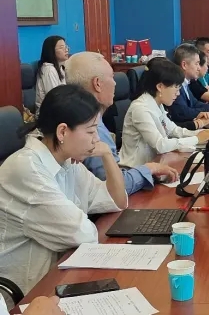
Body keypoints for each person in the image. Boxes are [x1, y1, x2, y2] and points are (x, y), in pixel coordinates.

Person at [0, 85, 128, 294]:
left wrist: (107, 156)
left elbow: (116, 202)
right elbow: (82, 234)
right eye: (90, 131)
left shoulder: (66, 160)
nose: (96, 138)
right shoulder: (27, 169)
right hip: (23, 293)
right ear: (62, 132)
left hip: (57, 275)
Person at [65, 52, 179, 194]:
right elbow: (115, 186)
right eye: (112, 77)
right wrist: (149, 169)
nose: (115, 83)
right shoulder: (91, 128)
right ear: (97, 84)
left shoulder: (86, 118)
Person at [119, 57, 209, 167]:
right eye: (176, 88)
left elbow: (173, 130)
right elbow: (160, 145)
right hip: (135, 169)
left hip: (155, 165)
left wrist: (200, 134)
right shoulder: (141, 108)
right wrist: (196, 139)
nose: (178, 93)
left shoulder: (157, 103)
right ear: (160, 87)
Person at [168, 44, 209, 124]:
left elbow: (195, 103)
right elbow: (183, 112)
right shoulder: (175, 84)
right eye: (196, 63)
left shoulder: (186, 83)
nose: (199, 68)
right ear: (184, 65)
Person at [35, 36, 69, 113]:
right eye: (61, 48)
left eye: (66, 47)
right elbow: (55, 98)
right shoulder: (49, 69)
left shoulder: (60, 67)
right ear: (51, 51)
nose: (66, 50)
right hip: (48, 113)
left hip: (59, 108)